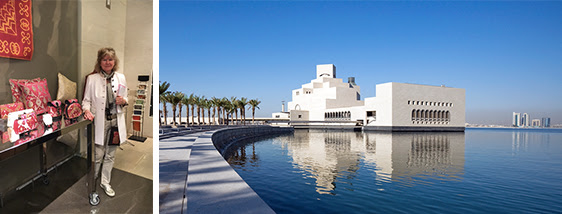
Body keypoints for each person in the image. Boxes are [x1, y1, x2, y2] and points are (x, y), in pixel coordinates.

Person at [82, 47, 128, 197]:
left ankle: (105, 182)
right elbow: (86, 101)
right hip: (100, 123)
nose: (107, 62)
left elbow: (125, 98)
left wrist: (124, 100)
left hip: (115, 122)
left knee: (110, 155)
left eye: (110, 59)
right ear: (100, 62)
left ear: (114, 62)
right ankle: (93, 178)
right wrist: (86, 110)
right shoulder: (92, 79)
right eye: (104, 59)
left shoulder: (121, 77)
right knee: (98, 154)